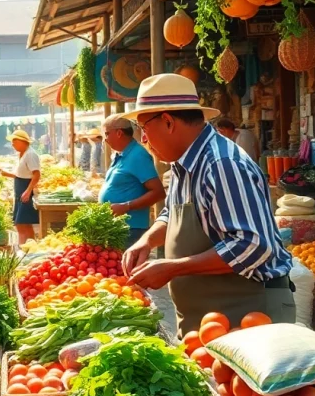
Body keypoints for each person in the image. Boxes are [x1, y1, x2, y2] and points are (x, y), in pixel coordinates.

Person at [121, 73, 295, 336]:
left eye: (143, 130)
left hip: (248, 315)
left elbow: (252, 245)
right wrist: (146, 241)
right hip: (208, 321)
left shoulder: (222, 164)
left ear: (167, 122)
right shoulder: (183, 164)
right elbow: (172, 213)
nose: (143, 140)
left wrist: (174, 268)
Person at [99, 114, 167, 248]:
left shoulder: (138, 155)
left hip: (131, 229)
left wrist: (126, 206)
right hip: (119, 227)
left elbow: (158, 192)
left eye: (107, 134)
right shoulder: (121, 154)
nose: (105, 139)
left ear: (119, 133)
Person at [0, 129, 41, 243]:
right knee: (23, 224)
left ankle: (24, 249)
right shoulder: (23, 154)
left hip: (25, 191)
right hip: (21, 191)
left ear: (22, 141)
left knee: (21, 224)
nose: (12, 144)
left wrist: (28, 191)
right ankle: (29, 247)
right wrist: (7, 174)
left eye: (14, 141)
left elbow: (36, 175)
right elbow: (22, 174)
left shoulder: (31, 154)